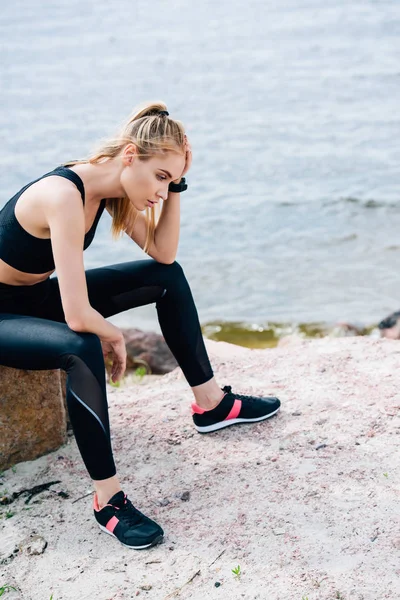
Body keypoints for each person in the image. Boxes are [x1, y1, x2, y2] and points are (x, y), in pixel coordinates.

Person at [0, 101, 281, 550]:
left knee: (165, 279)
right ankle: (107, 501)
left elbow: (164, 256)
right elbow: (77, 315)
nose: (162, 193)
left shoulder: (110, 189)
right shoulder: (63, 195)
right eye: (161, 177)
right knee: (82, 344)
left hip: (31, 298)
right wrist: (111, 333)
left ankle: (211, 405)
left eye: (171, 181)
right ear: (130, 155)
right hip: (3, 313)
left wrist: (180, 183)